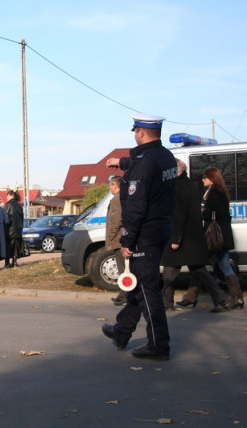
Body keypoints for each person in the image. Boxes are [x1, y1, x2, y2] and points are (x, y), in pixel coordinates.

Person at [101, 113, 177, 361]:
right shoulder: (164, 156)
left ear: (141, 133)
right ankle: (122, 331)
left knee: (147, 290)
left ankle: (159, 344)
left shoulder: (145, 162)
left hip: (144, 233)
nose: (135, 134)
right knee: (140, 285)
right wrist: (121, 162)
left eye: (135, 131)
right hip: (160, 229)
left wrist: (127, 241)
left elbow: (135, 206)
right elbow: (145, 165)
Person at [161, 160, 231, 313]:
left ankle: (167, 303)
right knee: (197, 270)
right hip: (193, 236)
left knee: (170, 271)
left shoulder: (178, 187)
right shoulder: (191, 185)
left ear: (175, 171)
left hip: (182, 237)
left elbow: (179, 214)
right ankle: (220, 298)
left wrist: (176, 239)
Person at [182, 167, 243, 309]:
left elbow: (216, 213)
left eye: (205, 177)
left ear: (212, 178)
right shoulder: (220, 191)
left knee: (198, 264)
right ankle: (237, 298)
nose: (203, 179)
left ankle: (193, 296)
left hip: (214, 236)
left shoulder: (214, 192)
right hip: (222, 235)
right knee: (224, 266)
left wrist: (203, 212)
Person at [105, 176, 126, 306]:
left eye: (110, 185)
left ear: (115, 186)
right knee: (124, 269)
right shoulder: (123, 198)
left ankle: (125, 296)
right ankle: (123, 294)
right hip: (121, 238)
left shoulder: (116, 200)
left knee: (123, 269)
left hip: (118, 239)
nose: (109, 188)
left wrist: (110, 237)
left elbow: (115, 221)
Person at [3, 190, 24, 268]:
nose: (6, 197)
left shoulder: (7, 205)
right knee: (16, 247)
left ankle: (7, 263)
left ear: (11, 196)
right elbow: (22, 218)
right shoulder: (19, 206)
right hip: (18, 230)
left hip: (9, 230)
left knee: (8, 246)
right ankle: (14, 262)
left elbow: (4, 218)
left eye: (7, 195)